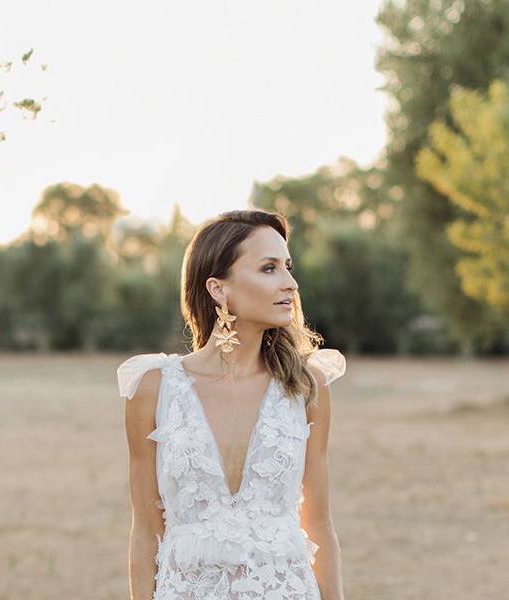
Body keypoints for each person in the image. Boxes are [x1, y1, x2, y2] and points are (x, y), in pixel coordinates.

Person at [117, 209, 346, 599]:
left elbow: (319, 524)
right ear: (218, 289)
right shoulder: (154, 390)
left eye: (288, 268)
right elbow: (146, 532)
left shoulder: (307, 387)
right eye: (269, 268)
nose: (290, 283)